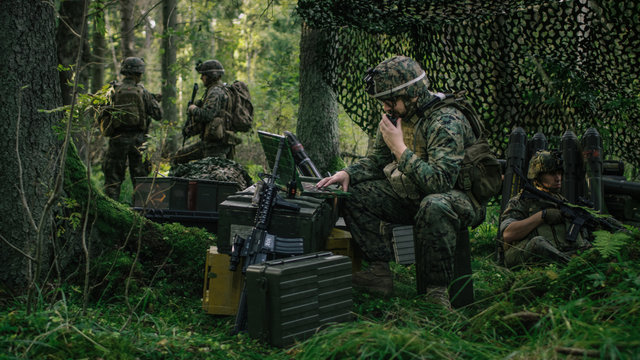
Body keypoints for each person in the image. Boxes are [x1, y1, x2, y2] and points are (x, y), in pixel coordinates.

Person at [316, 55, 484, 307]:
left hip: (458, 198)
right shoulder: (397, 117)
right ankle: (379, 273)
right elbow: (375, 161)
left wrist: (400, 149)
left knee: (434, 205)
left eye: (389, 101)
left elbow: (440, 182)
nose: (385, 108)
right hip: (415, 193)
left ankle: (436, 292)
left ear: (411, 94)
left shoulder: (446, 120)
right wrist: (348, 173)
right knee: (355, 194)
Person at [499, 150, 590, 268]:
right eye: (552, 174)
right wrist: (542, 216)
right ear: (538, 176)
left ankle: (571, 264)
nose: (558, 178)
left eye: (559, 173)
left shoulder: (563, 202)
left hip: (560, 253)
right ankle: (572, 267)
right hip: (525, 253)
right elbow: (508, 233)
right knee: (538, 243)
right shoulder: (522, 201)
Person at [101, 57, 162, 201]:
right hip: (138, 141)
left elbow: (102, 113)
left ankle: (111, 210)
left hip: (117, 139)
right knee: (140, 179)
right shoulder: (143, 92)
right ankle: (140, 214)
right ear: (138, 74)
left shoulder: (113, 90)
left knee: (113, 179)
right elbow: (158, 115)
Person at [172, 59, 241, 164]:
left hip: (214, 146)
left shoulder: (215, 92)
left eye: (203, 75)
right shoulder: (222, 89)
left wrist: (193, 109)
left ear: (210, 76)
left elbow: (208, 115)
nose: (201, 78)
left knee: (179, 157)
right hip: (219, 143)